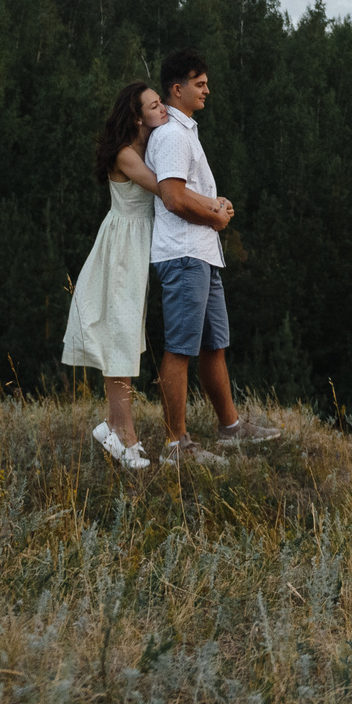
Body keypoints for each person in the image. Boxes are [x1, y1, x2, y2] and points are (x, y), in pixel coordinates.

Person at [146, 47, 282, 463]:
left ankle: (231, 428)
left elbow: (185, 190)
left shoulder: (184, 132)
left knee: (213, 345)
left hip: (201, 253)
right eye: (199, 84)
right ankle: (176, 445)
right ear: (177, 88)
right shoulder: (170, 135)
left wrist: (214, 205)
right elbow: (171, 196)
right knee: (180, 349)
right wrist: (214, 214)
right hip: (185, 254)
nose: (207, 90)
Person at [62, 81, 171, 469]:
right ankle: (122, 435)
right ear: (137, 116)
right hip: (123, 248)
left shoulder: (147, 146)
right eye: (155, 105)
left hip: (138, 246)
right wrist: (207, 204)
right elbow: (163, 189)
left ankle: (114, 426)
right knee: (121, 337)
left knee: (126, 335)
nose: (164, 110)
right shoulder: (126, 154)